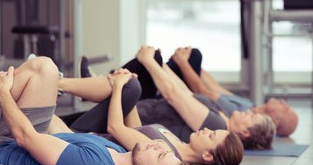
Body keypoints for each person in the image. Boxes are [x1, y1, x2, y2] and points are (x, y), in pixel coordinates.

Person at [0, 56, 190, 165]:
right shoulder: (116, 154)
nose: (159, 146)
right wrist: (42, 93)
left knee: (38, 69)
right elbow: (66, 137)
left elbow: (25, 137)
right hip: (18, 139)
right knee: (45, 69)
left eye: (161, 155)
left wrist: (3, 93)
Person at [56, 68, 244, 165]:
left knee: (128, 86)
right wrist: (126, 91)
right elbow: (137, 128)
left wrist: (120, 87)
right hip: (93, 131)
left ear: (207, 156)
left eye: (211, 136)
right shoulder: (177, 144)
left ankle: (55, 83)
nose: (207, 130)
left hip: (84, 137)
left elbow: (115, 128)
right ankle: (56, 83)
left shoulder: (166, 153)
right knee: (132, 85)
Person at [94, 45, 276, 150]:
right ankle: (93, 82)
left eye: (251, 117)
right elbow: (186, 92)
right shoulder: (222, 119)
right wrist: (158, 63)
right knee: (152, 60)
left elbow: (173, 95)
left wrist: (149, 61)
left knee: (132, 82)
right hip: (137, 108)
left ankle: (92, 82)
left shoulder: (215, 126)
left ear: (245, 132)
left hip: (132, 114)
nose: (247, 112)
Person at [164, 46, 298, 137]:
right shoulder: (248, 105)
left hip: (175, 93)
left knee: (194, 56)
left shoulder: (236, 113)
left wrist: (182, 62)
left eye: (284, 108)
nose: (283, 102)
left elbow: (201, 90)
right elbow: (215, 87)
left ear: (275, 121)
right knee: (193, 56)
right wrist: (195, 68)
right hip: (179, 89)